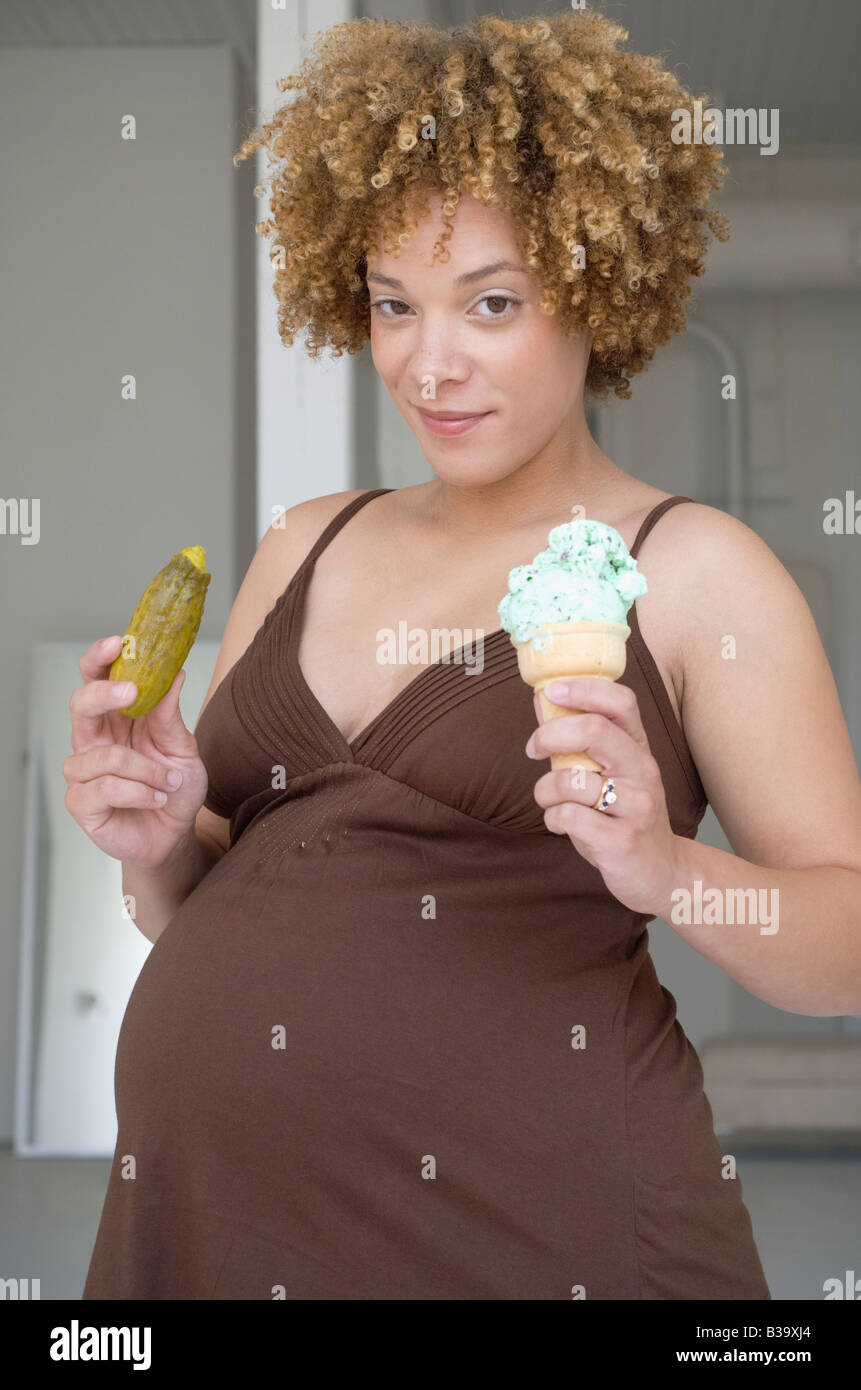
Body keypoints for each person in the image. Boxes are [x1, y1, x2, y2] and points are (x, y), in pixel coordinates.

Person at [66, 10, 861, 1300]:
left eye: (493, 303)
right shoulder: (305, 540)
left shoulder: (697, 570)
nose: (429, 366)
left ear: (597, 290)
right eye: (394, 305)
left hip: (538, 1236)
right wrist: (157, 842)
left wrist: (670, 873)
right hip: (215, 1229)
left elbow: (848, 942)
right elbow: (197, 903)